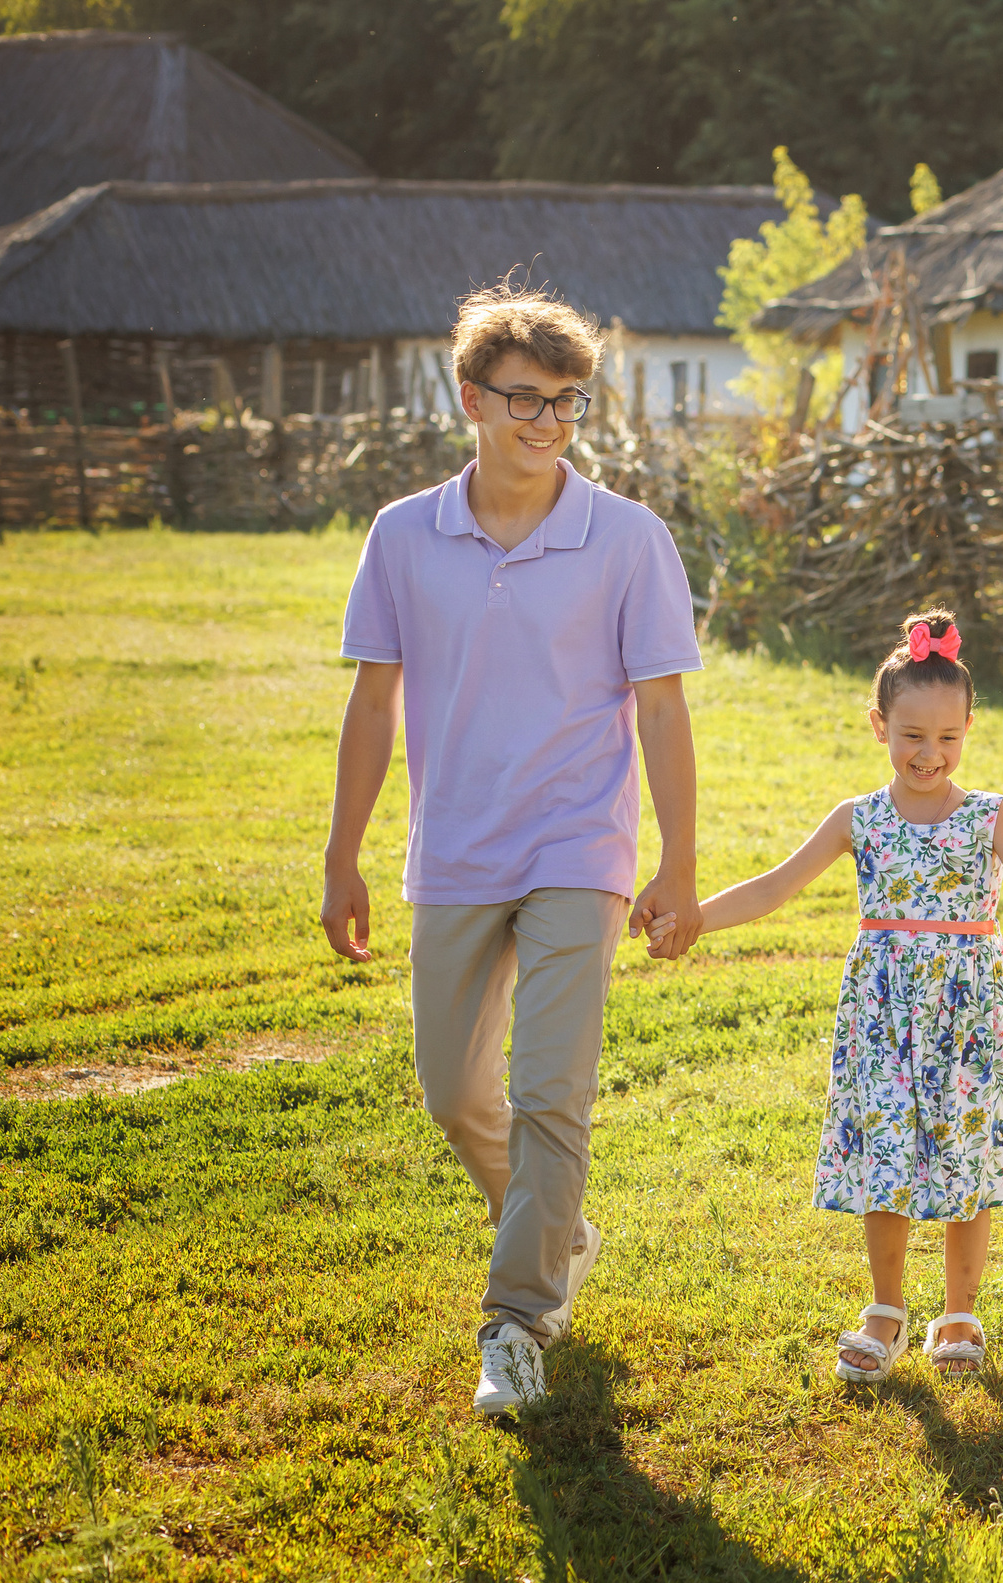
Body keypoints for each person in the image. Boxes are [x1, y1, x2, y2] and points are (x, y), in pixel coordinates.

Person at [320, 284, 704, 1417]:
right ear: (471, 399)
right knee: (452, 1090)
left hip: (579, 845)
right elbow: (372, 705)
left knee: (550, 1089)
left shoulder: (628, 538)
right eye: (526, 401)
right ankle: (559, 1228)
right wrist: (343, 855)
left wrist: (676, 861)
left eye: (567, 403)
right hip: (453, 849)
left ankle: (517, 1319)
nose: (547, 424)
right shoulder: (403, 535)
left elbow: (665, 711)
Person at [650, 611, 1003, 1382]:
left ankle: (959, 1313)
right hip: (883, 1013)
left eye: (948, 738)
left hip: (969, 1015)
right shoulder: (860, 818)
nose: (930, 753)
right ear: (880, 724)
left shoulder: (990, 815)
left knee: (963, 1157)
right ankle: (885, 1310)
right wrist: (695, 918)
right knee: (887, 1155)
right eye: (913, 734)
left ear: (970, 729)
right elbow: (776, 885)